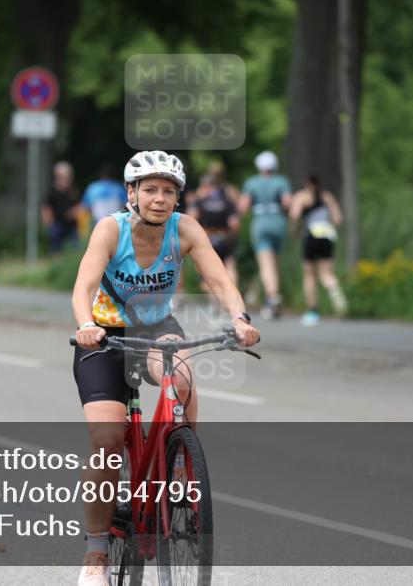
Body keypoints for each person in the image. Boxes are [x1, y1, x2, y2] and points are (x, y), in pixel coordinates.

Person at [71, 150, 260, 585]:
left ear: (178, 197)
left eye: (169, 191)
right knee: (106, 439)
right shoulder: (109, 229)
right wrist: (85, 325)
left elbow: (219, 280)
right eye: (150, 189)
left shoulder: (185, 229)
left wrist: (239, 318)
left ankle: (177, 472)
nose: (160, 198)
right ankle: (96, 553)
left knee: (185, 378)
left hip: (158, 328)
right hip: (105, 336)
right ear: (131, 193)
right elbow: (82, 287)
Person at [239, 150, 292, 319]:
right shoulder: (281, 181)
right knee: (275, 262)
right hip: (279, 222)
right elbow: (287, 203)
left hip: (260, 222)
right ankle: (273, 295)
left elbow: (243, 206)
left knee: (265, 264)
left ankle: (272, 297)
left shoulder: (252, 182)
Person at [289, 175, 348, 324]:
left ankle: (312, 311)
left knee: (310, 275)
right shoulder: (327, 196)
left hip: (311, 236)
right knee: (327, 273)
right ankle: (333, 288)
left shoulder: (302, 197)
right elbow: (338, 219)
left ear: (306, 184)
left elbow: (294, 215)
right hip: (327, 235)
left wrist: (294, 231)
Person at [186, 161, 240, 288]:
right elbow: (235, 223)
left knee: (204, 272)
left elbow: (191, 217)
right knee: (230, 266)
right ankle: (233, 293)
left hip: (207, 237)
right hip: (225, 237)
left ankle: (215, 299)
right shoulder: (227, 197)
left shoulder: (200, 198)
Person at [42, 161, 81, 253]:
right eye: (65, 177)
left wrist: (74, 212)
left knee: (76, 247)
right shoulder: (52, 191)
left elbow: (79, 205)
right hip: (57, 223)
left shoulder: (73, 190)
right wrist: (48, 222)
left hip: (72, 225)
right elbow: (46, 207)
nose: (68, 179)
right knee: (56, 247)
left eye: (69, 176)